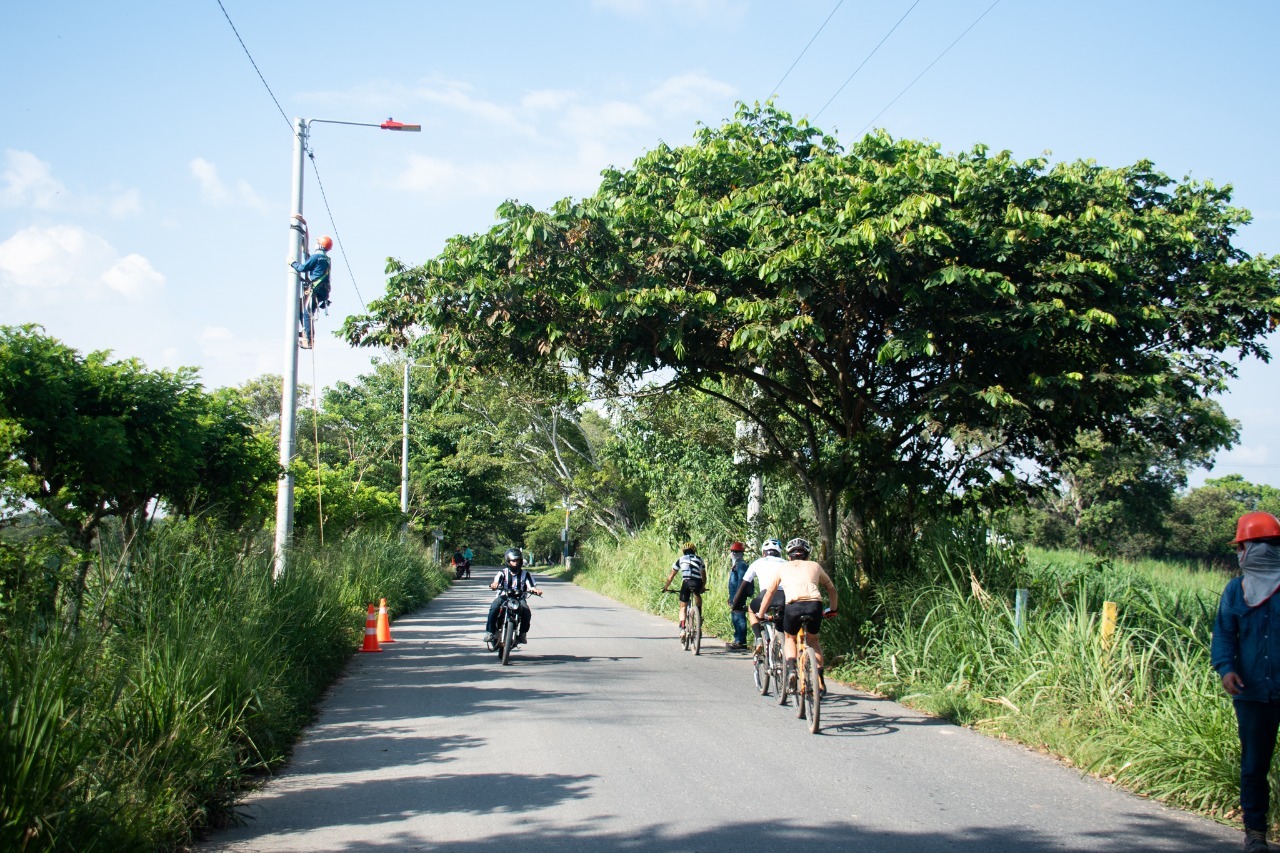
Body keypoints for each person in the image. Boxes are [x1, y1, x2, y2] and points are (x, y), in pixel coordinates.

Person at [1212, 511, 1280, 853]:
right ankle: (1256, 833)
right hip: (1251, 693)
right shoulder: (1235, 590)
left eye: (1243, 547)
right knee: (1254, 765)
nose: (1240, 555)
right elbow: (1224, 634)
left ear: (1260, 548)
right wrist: (1226, 669)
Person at [757, 537, 837, 695]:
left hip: (793, 606)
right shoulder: (815, 566)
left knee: (790, 638)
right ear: (807, 555)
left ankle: (792, 670)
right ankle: (819, 680)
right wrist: (833, 609)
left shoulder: (783, 568)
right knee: (813, 640)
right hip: (815, 605)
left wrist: (761, 613)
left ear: (789, 555)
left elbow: (770, 593)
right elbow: (831, 589)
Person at [731, 538, 788, 655]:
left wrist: (736, 604)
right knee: (782, 619)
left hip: (765, 598)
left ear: (763, 552)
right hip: (785, 599)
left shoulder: (757, 562)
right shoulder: (786, 563)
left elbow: (744, 585)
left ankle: (758, 639)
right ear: (779, 552)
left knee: (752, 610)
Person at [485, 547, 543, 646]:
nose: (515, 563)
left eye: (517, 561)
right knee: (494, 607)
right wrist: (494, 585)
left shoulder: (526, 574)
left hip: (519, 599)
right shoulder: (502, 573)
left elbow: (531, 586)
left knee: (526, 611)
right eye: (513, 561)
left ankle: (522, 634)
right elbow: (496, 581)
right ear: (508, 561)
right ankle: (490, 632)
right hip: (504, 597)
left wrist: (535, 590)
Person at [290, 235, 332, 349]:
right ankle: (307, 332)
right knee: (304, 310)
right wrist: (305, 252)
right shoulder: (326, 259)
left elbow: (303, 267)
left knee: (307, 314)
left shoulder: (316, 257)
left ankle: (309, 340)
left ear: (320, 245)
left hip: (316, 289)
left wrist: (292, 263)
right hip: (324, 291)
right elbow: (312, 263)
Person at [661, 542, 706, 638]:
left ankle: (682, 629)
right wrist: (703, 586)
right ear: (694, 551)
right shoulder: (699, 559)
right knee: (697, 595)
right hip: (697, 582)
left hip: (686, 582)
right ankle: (699, 616)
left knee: (683, 607)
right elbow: (704, 576)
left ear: (683, 551)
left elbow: (671, 576)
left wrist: (666, 587)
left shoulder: (680, 559)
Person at [726, 542, 750, 650]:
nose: (733, 554)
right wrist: (731, 597)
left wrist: (736, 598)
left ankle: (741, 641)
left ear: (741, 553)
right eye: (733, 552)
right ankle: (737, 639)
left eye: (736, 552)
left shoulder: (741, 565)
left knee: (739, 616)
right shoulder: (737, 564)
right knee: (736, 616)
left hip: (739, 595)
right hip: (735, 595)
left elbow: (742, 581)